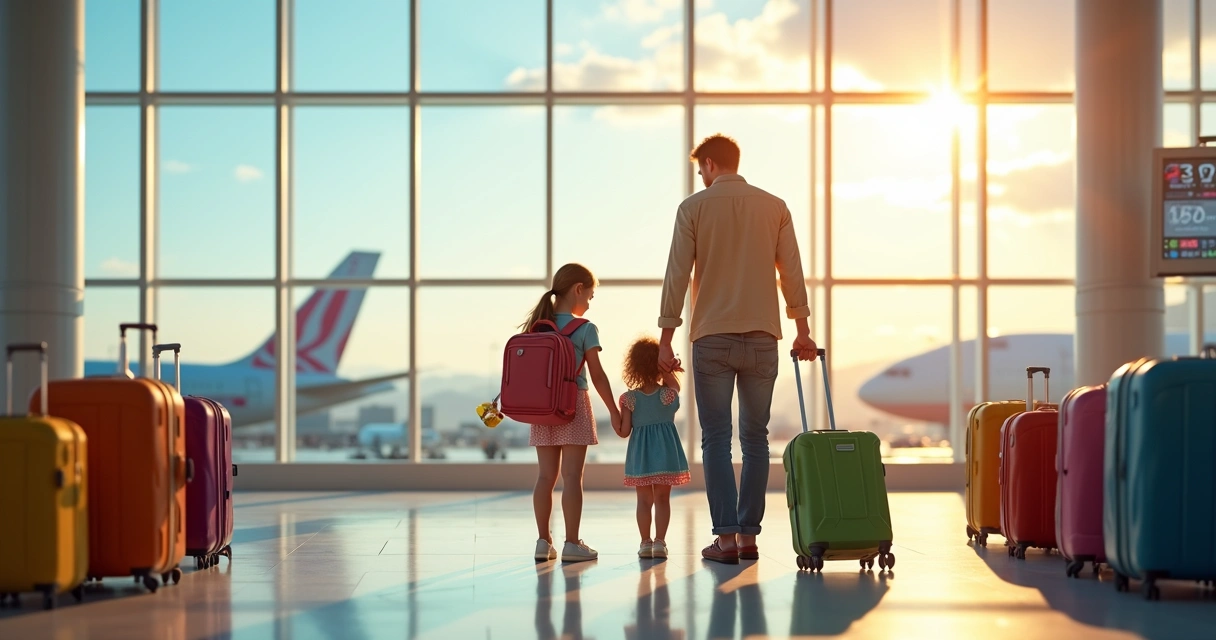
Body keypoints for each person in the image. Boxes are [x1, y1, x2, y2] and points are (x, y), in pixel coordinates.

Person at [657, 133, 818, 564]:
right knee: (756, 438)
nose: (701, 177)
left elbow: (676, 276)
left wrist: (666, 339)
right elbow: (791, 272)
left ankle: (725, 540)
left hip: (712, 337)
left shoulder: (693, 208)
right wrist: (802, 330)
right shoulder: (774, 207)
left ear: (710, 164)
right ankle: (748, 538)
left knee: (715, 438)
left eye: (700, 170)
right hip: (763, 337)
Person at [525, 263, 621, 563]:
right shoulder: (585, 329)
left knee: (545, 477)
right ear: (578, 289)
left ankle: (543, 542)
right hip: (574, 404)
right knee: (572, 477)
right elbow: (598, 376)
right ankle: (571, 543)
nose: (589, 303)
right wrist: (614, 411)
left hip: (542, 407)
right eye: (590, 296)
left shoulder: (538, 325)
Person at [616, 336, 691, 559]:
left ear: (634, 367)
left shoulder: (629, 399)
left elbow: (624, 432)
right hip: (665, 455)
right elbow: (675, 384)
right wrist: (667, 367)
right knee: (663, 500)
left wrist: (614, 413)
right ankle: (660, 542)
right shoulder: (667, 395)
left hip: (641, 457)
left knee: (643, 501)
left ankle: (644, 543)